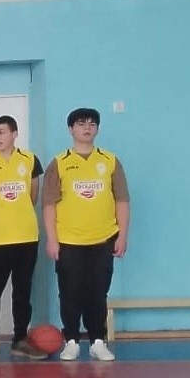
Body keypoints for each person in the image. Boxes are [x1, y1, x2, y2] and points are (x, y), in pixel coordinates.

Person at [41, 107, 131, 362]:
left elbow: (122, 200)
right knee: (70, 292)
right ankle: (71, 340)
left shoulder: (110, 161)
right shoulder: (59, 163)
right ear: (71, 129)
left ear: (97, 129)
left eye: (92, 124)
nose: (87, 128)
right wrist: (52, 239)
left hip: (103, 239)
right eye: (81, 124)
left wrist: (122, 235)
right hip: (69, 240)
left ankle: (97, 341)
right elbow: (48, 204)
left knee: (98, 292)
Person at [0, 115, 46, 361]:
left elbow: (33, 196)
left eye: (1, 132)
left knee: (22, 292)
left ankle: (20, 339)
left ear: (14, 134)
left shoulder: (30, 160)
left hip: (26, 237)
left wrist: (16, 213)